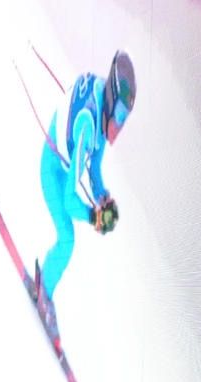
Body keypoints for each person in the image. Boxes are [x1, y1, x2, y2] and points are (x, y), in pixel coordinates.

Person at [35, 50, 136, 336]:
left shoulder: (101, 107)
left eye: (125, 118)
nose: (119, 126)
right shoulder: (88, 127)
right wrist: (94, 216)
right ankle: (44, 295)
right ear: (111, 102)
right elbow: (69, 201)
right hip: (52, 172)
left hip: (62, 164)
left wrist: (102, 196)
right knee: (67, 239)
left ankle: (44, 281)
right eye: (119, 116)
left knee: (67, 238)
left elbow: (94, 169)